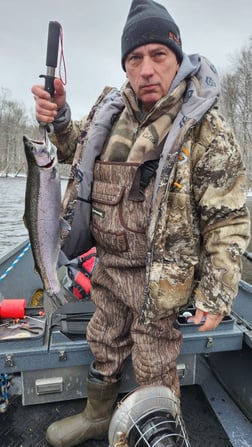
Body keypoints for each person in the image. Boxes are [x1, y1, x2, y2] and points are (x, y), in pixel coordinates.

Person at [32, 1, 250, 446]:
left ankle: (161, 429)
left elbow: (228, 218)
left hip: (163, 282)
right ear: (125, 65)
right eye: (136, 58)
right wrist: (61, 115)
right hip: (109, 269)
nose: (147, 68)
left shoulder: (207, 128)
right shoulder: (110, 111)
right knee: (103, 341)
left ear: (178, 58)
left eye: (159, 55)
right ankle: (98, 415)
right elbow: (74, 150)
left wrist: (217, 291)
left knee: (154, 362)